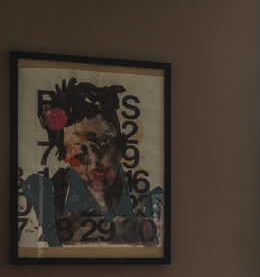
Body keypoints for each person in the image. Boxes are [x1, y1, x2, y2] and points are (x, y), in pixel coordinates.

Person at [21, 77, 163, 248]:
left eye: (104, 140)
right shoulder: (47, 199)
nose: (95, 159)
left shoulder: (150, 199)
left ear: (120, 141)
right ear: (65, 156)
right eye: (78, 150)